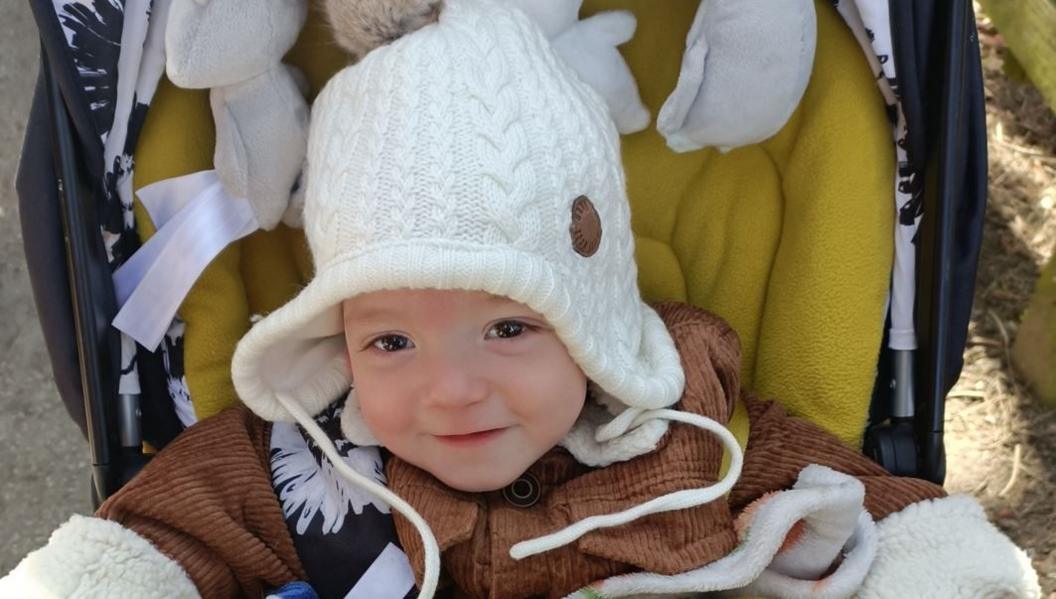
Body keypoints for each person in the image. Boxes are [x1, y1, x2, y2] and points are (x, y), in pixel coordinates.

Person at [1, 0, 1040, 597]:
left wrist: (894, 556)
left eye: (509, 325)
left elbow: (890, 514)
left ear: (588, 310)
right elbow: (144, 545)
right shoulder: (291, 457)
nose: (451, 390)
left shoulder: (686, 427)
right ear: (334, 330)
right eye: (391, 336)